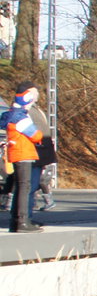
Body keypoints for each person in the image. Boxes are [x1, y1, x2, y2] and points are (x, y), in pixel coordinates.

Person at [2, 81, 44, 232]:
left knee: (20, 186)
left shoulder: (12, 115)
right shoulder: (21, 118)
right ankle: (22, 221)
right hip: (23, 153)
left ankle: (16, 221)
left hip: (17, 153)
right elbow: (36, 135)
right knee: (24, 187)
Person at [28, 101, 56, 211]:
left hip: (38, 149)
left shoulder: (30, 111)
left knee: (37, 179)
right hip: (43, 148)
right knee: (39, 179)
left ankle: (38, 201)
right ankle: (39, 201)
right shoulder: (38, 111)